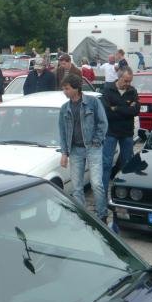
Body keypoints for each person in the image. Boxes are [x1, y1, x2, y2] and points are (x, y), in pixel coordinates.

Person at [58, 74, 109, 220]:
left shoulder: (92, 102)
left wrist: (96, 140)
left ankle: (102, 215)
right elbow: (62, 132)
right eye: (63, 89)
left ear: (76, 88)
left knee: (96, 184)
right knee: (77, 187)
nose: (64, 91)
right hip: (75, 149)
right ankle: (83, 218)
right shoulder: (64, 108)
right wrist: (64, 153)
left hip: (93, 148)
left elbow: (103, 123)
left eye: (67, 88)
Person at [101, 67, 139, 214]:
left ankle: (124, 197)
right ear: (119, 77)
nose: (127, 84)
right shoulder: (108, 90)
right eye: (125, 81)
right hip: (111, 132)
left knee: (127, 164)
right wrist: (125, 109)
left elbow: (135, 111)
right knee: (106, 164)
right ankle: (102, 198)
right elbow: (107, 113)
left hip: (127, 133)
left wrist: (116, 108)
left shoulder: (132, 91)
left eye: (130, 81)